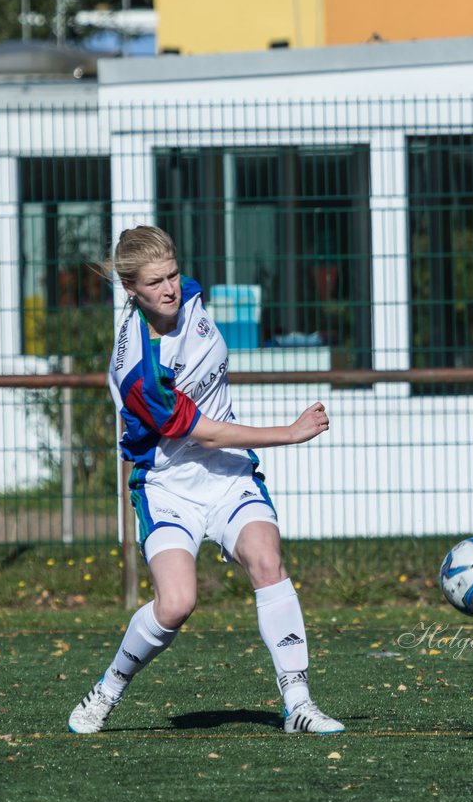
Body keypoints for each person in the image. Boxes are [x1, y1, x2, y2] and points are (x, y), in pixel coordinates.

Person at [68, 225, 344, 735]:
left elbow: (220, 446)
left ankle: (299, 705)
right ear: (130, 290)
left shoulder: (186, 294)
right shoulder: (138, 373)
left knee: (266, 559)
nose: (170, 288)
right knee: (176, 603)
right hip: (168, 484)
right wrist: (290, 432)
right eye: (155, 283)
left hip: (228, 476)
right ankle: (108, 689)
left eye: (172, 274)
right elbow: (207, 434)